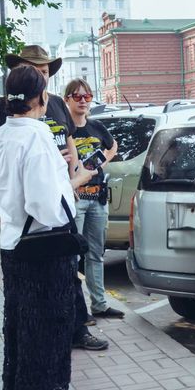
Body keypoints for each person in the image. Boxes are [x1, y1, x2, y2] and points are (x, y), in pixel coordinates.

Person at [0, 44, 110, 352]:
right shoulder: (10, 107)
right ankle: (47, 353)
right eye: (33, 70)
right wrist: (1, 168)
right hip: (36, 213)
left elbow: (67, 137)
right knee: (38, 295)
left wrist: (73, 167)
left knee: (68, 272)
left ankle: (75, 330)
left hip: (56, 195)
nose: (40, 75)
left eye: (44, 71)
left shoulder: (53, 104)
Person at [0, 65, 98, 390]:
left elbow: (0, 187)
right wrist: (74, 185)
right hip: (45, 248)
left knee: (26, 325)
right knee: (47, 328)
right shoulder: (37, 137)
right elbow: (46, 204)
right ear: (42, 98)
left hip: (14, 243)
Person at [63, 77, 123, 320]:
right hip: (75, 199)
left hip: (97, 199)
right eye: (77, 97)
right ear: (67, 99)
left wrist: (99, 164)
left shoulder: (97, 127)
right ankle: (76, 309)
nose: (83, 101)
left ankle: (99, 305)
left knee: (96, 254)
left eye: (87, 96)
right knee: (72, 256)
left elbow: (113, 146)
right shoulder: (64, 130)